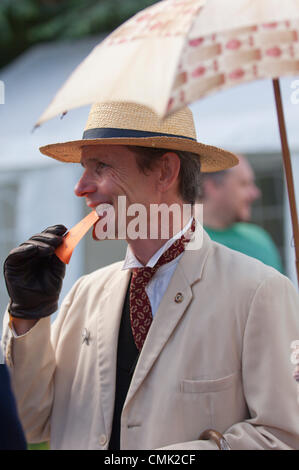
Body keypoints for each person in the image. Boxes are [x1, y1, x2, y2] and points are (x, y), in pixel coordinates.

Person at [2, 102, 299, 450]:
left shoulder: (259, 292)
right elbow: (27, 423)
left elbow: (282, 436)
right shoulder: (84, 294)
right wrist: (27, 315)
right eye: (85, 168)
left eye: (101, 166)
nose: (81, 187)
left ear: (165, 172)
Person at [200, 154, 283, 272]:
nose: (255, 193)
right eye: (244, 184)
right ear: (212, 185)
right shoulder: (183, 243)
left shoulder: (260, 240)